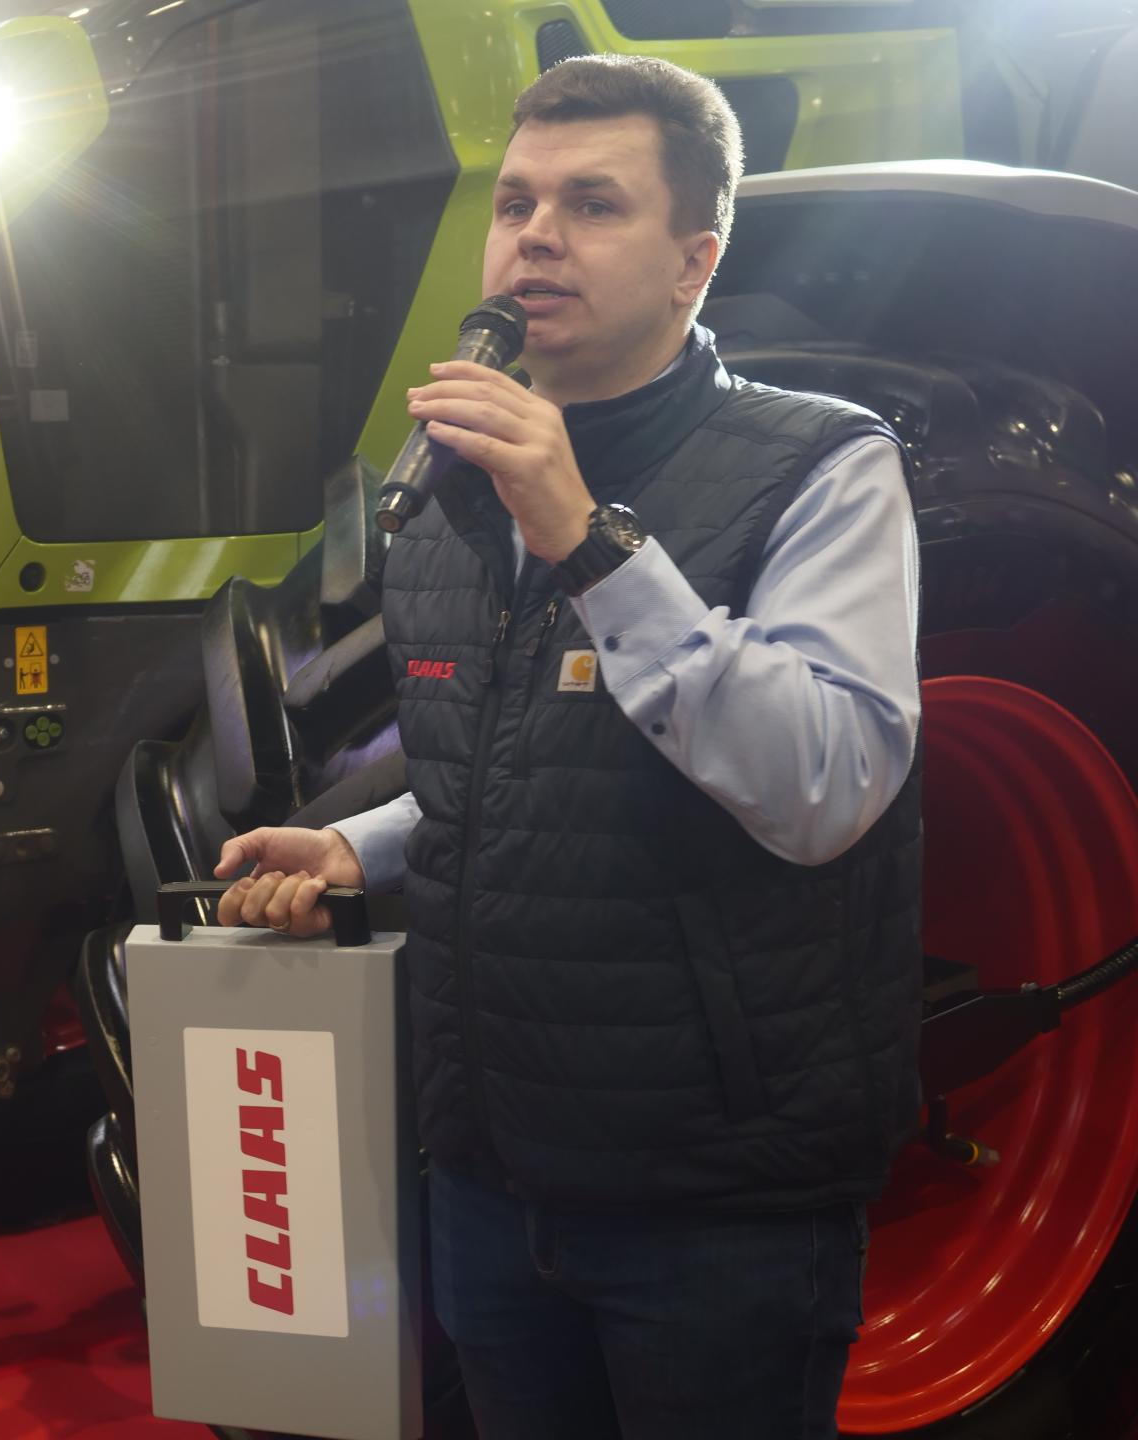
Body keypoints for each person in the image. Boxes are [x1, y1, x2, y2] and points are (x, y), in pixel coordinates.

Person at [214, 55, 921, 1440]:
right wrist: (362, 849)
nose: (536, 235)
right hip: (487, 1175)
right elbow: (525, 762)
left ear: (694, 261)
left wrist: (588, 537)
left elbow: (824, 788)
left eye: (593, 204)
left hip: (711, 1202)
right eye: (517, 203)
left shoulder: (822, 469)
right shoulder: (446, 500)